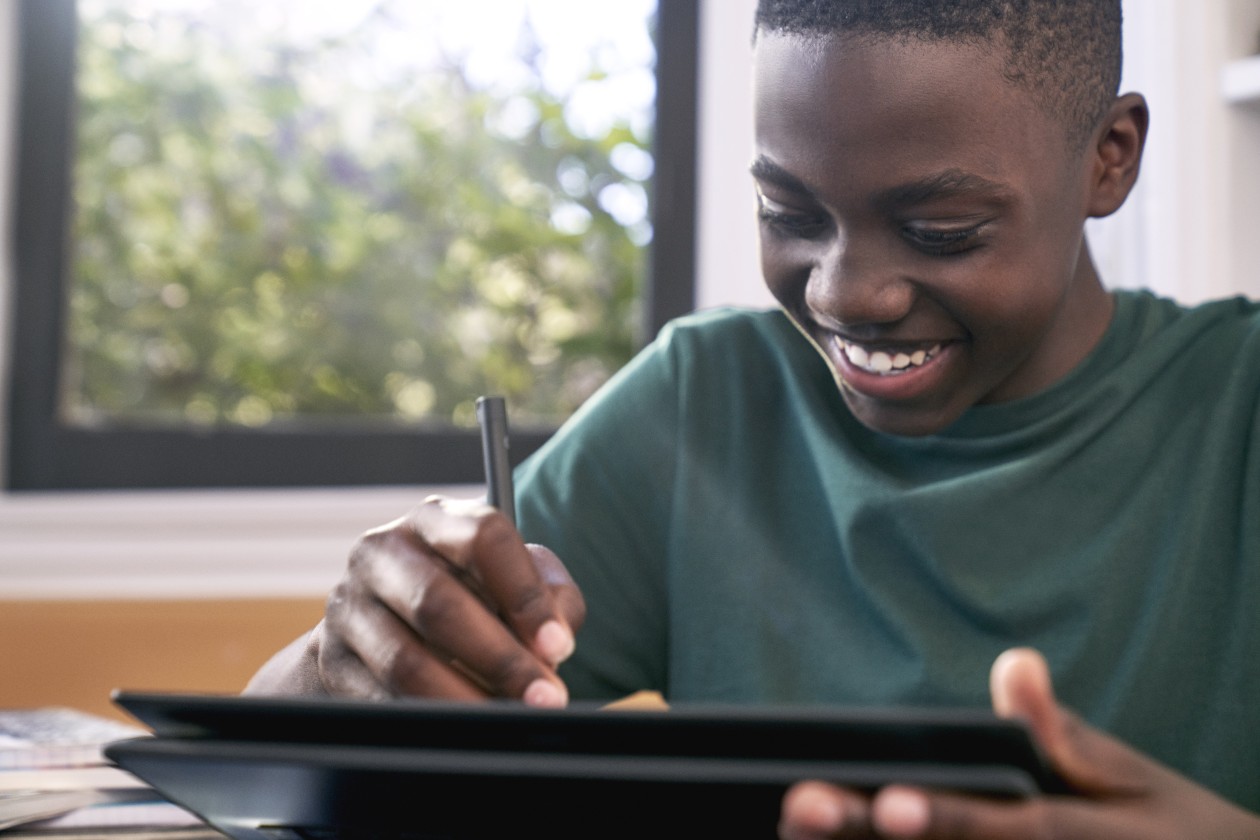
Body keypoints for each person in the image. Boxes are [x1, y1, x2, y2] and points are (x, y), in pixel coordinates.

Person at [248, 0, 1260, 836]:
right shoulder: (706, 404)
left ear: (1110, 159)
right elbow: (264, 772)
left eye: (940, 230)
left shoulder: (1239, 409)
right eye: (790, 214)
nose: (845, 293)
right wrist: (349, 659)